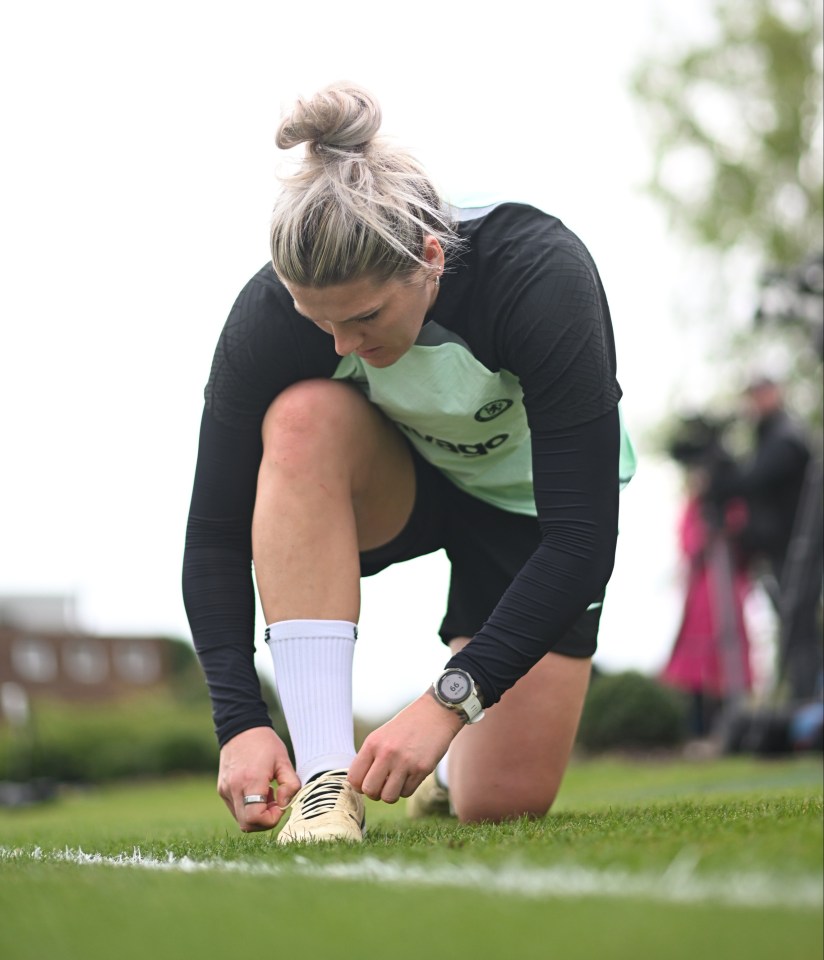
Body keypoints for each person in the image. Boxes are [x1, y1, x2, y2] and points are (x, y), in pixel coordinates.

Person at [182, 82, 636, 843]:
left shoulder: (538, 275)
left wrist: (448, 699)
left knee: (502, 801)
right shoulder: (270, 317)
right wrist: (239, 720)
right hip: (407, 477)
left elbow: (583, 539)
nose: (341, 345)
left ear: (430, 259)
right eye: (316, 319)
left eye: (364, 317)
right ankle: (326, 784)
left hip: (531, 510)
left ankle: (453, 777)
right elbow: (215, 536)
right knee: (301, 416)